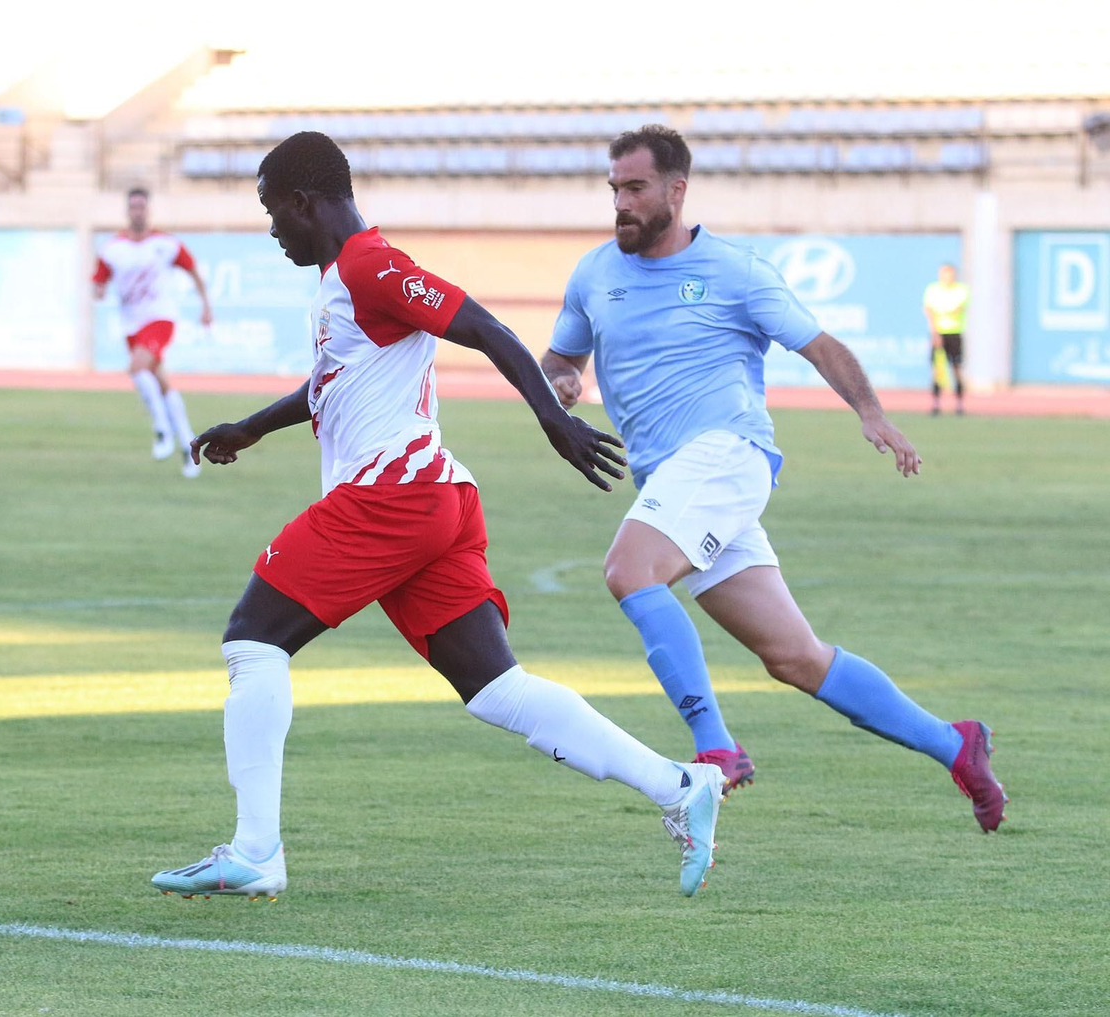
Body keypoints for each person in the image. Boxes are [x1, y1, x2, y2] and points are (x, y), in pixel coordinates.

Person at [153, 131, 728, 902]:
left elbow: (483, 327)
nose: (270, 230)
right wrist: (252, 427)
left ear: (303, 202)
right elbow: (330, 384)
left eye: (271, 212)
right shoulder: (342, 278)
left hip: (393, 497)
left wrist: (552, 421)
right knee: (498, 690)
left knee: (253, 642)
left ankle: (256, 851)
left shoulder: (370, 264)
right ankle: (678, 785)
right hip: (435, 502)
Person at [539, 126, 1006, 832]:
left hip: (728, 454)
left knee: (630, 569)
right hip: (676, 482)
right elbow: (560, 361)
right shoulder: (594, 275)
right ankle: (956, 744)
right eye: (614, 190)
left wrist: (870, 412)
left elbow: (818, 345)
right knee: (795, 658)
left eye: (635, 189)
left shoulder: (736, 271)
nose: (621, 204)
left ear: (676, 191)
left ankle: (716, 748)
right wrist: (564, 384)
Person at [91, 187, 213, 478]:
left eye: (142, 206)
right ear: (127, 211)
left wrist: (206, 306)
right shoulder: (113, 249)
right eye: (133, 207)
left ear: (149, 210)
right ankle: (188, 443)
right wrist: (98, 289)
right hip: (131, 324)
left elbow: (193, 270)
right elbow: (98, 281)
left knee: (136, 369)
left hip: (160, 318)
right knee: (160, 383)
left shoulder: (166, 243)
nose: (138, 211)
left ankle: (162, 432)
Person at [923, 263, 970, 415]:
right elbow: (929, 311)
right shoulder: (933, 290)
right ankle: (936, 405)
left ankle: (959, 405)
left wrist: (942, 312)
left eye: (950, 274)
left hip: (954, 333)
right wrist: (934, 332)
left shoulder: (961, 290)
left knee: (956, 368)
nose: (947, 277)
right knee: (937, 369)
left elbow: (958, 309)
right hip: (938, 332)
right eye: (944, 274)